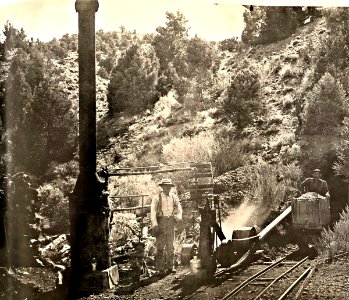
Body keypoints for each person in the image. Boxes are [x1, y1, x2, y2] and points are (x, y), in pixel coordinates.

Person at [150, 178, 182, 275]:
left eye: (169, 186)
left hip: (171, 221)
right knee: (160, 246)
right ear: (162, 187)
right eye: (165, 186)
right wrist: (155, 224)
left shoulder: (174, 197)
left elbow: (179, 208)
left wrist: (178, 217)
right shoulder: (157, 198)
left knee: (171, 245)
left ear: (171, 187)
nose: (167, 188)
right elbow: (153, 212)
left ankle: (170, 267)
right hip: (161, 222)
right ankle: (160, 269)